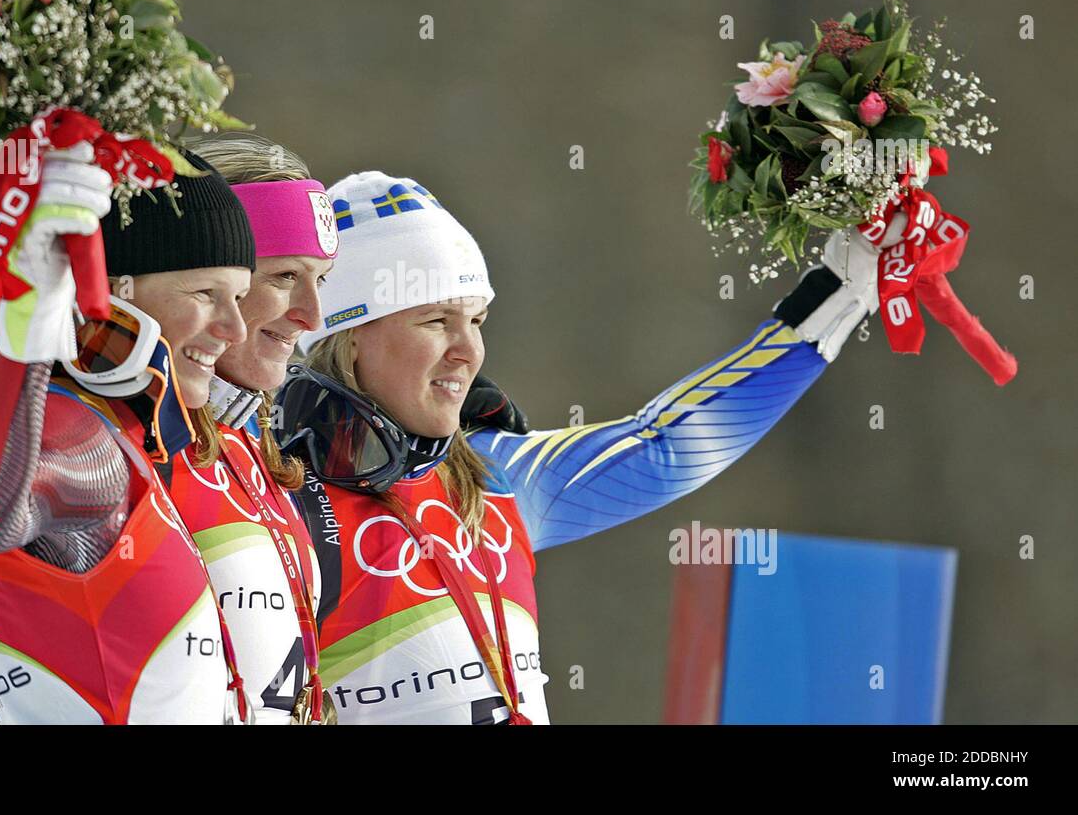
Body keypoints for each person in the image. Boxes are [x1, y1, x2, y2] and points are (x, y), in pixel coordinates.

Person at [277, 169, 907, 724]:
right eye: (436, 320)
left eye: (477, 320)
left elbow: (663, 445)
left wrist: (843, 291)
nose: (469, 350)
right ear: (349, 336)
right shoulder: (271, 494)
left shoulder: (495, 478)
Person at [0, 138, 259, 724]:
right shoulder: (80, 433)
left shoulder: (130, 445)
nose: (235, 329)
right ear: (116, 289)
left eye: (241, 297)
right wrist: (33, 328)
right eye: (205, 293)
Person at [163, 132, 340, 723]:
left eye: (322, 280)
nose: (311, 314)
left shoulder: (257, 450)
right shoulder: (118, 438)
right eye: (285, 275)